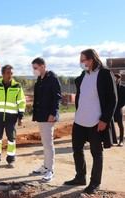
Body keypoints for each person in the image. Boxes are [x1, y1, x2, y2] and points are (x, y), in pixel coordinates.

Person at [64, 49, 117, 195]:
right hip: (80, 120)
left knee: (96, 153)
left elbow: (113, 99)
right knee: (77, 149)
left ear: (91, 59)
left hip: (96, 121)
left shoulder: (105, 74)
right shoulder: (83, 75)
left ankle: (95, 183)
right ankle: (80, 177)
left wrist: (104, 120)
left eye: (83, 60)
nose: (81, 63)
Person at [0, 65, 26, 168]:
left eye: (11, 73)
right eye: (8, 73)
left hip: (11, 118)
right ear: (3, 74)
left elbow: (21, 102)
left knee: (11, 139)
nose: (10, 75)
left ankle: (11, 160)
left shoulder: (17, 86)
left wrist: (20, 117)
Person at [31, 57, 62, 182]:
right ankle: (45, 166)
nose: (34, 71)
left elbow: (57, 97)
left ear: (43, 66)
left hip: (49, 116)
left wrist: (53, 113)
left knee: (49, 144)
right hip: (41, 115)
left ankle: (50, 170)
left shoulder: (52, 78)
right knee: (45, 142)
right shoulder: (40, 79)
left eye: (35, 68)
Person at [113, 73, 125, 146]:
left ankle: (121, 140)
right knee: (108, 125)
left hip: (118, 109)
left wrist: (119, 106)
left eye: (117, 78)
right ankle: (110, 140)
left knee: (120, 125)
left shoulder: (123, 88)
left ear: (119, 79)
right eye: (115, 78)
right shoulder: (110, 87)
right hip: (110, 110)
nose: (116, 79)